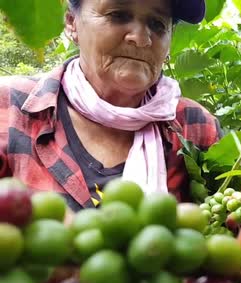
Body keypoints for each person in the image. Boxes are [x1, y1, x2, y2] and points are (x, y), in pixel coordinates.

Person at [0, 0, 221, 214]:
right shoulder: (10, 107)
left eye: (157, 24)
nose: (141, 38)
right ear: (71, 23)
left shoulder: (194, 125)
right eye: (118, 15)